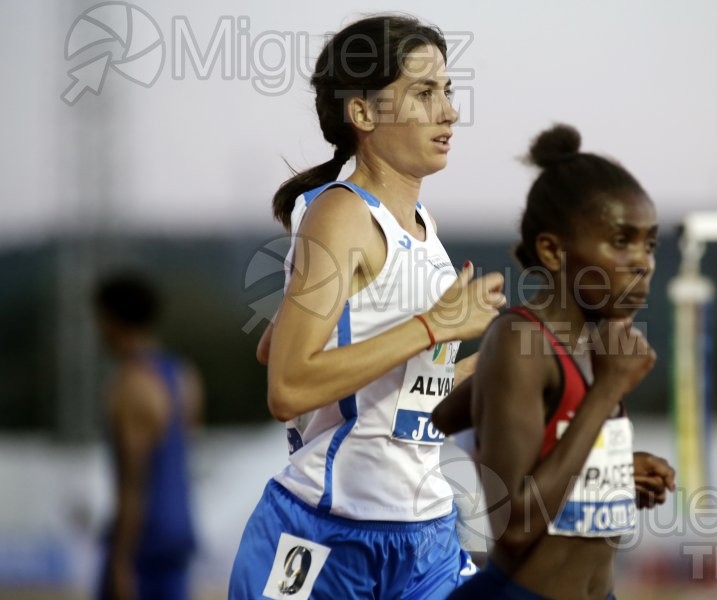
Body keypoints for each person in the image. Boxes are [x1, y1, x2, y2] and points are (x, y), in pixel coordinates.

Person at [228, 15, 505, 599]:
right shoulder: (343, 214)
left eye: (448, 91)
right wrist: (434, 325)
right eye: (424, 93)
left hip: (425, 536)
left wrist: (498, 367)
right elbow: (288, 388)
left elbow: (404, 402)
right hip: (323, 535)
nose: (449, 111)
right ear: (363, 114)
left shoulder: (424, 228)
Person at [435, 124, 676, 600]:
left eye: (649, 244)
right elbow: (515, 523)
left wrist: (615, 472)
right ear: (552, 250)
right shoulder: (519, 340)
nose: (643, 262)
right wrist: (608, 390)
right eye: (621, 240)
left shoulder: (592, 344)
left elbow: (449, 415)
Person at [93, 273, 203, 600]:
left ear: (113, 321)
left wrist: (121, 559)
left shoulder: (129, 386)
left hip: (143, 541)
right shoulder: (184, 375)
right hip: (179, 528)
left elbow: (133, 480)